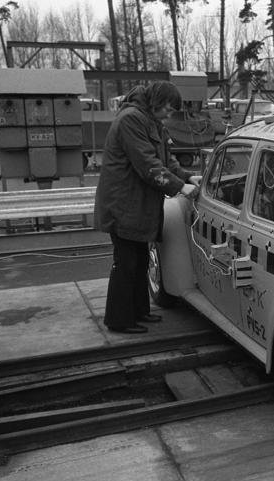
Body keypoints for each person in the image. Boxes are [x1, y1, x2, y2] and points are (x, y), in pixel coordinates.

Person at [94, 81, 201, 334]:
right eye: (167, 108)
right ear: (156, 101)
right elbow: (147, 164)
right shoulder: (132, 120)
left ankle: (139, 312)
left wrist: (185, 177)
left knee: (140, 260)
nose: (169, 115)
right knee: (126, 262)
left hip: (136, 205)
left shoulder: (149, 120)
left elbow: (165, 159)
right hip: (123, 206)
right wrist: (177, 187)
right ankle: (119, 320)